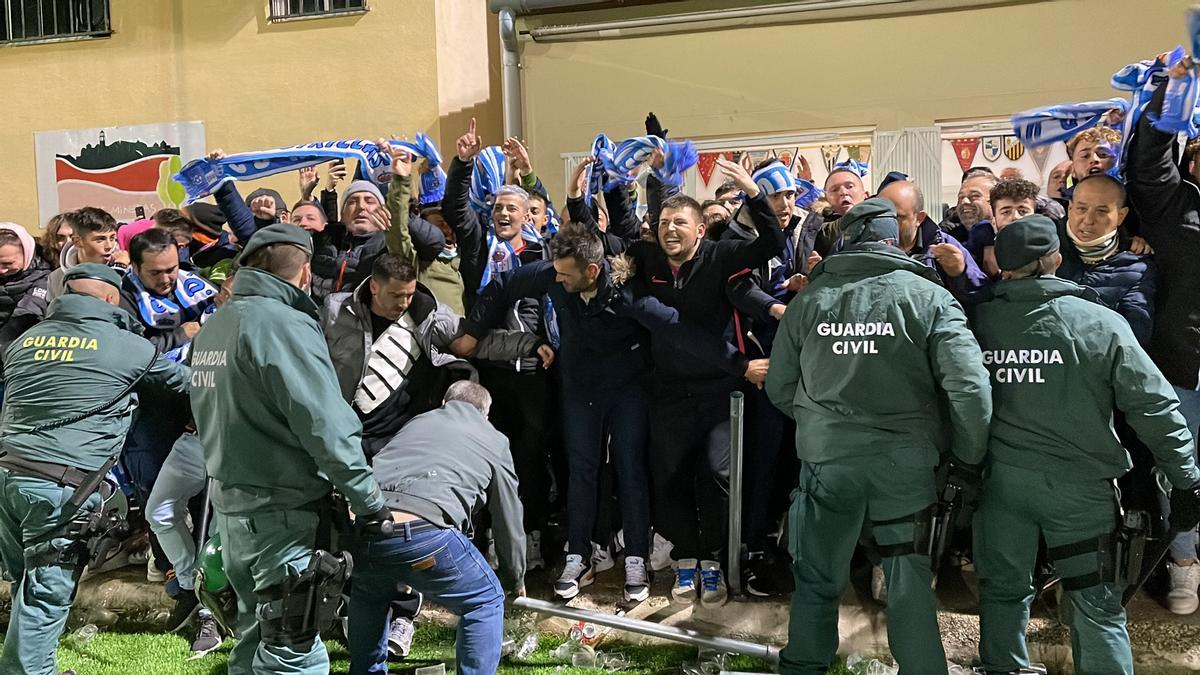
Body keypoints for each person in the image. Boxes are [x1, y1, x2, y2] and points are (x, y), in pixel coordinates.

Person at [461, 221, 756, 602]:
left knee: (630, 467)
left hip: (627, 390)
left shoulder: (628, 295)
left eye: (568, 275)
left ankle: (636, 557)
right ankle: (578, 555)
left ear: (593, 270)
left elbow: (678, 329)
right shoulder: (554, 275)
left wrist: (739, 364)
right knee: (582, 469)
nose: (559, 280)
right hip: (579, 391)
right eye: (557, 272)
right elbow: (504, 286)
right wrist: (472, 331)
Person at [765, 197, 992, 674]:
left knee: (817, 582)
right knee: (909, 585)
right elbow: (970, 389)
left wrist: (821, 425)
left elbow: (780, 385)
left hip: (827, 463)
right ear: (895, 238)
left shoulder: (809, 300)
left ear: (846, 237)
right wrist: (966, 457)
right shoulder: (928, 296)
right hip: (905, 466)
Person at [970, 215, 1200, 674]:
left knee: (1001, 591)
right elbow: (1154, 406)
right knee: (1096, 605)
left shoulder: (974, 322)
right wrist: (1186, 480)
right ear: (1056, 259)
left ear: (1001, 264)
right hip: (1080, 491)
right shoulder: (1100, 322)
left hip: (998, 488)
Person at [189, 224, 393, 674]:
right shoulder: (283, 325)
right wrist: (369, 501)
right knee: (293, 648)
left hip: (231, 507)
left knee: (255, 633)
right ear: (303, 272)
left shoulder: (216, 325)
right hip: (281, 509)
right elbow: (324, 423)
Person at [600, 156, 783, 604]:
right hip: (668, 392)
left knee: (718, 475)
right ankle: (686, 557)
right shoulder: (645, 258)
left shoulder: (721, 256)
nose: (670, 230)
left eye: (680, 222)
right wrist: (614, 180)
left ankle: (715, 561)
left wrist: (756, 195)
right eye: (663, 223)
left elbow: (772, 242)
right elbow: (614, 231)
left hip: (720, 390)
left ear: (700, 229)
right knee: (671, 475)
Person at [0, 263, 190, 675]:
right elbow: (192, 385)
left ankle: (32, 665)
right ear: (109, 299)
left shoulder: (26, 339)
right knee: (47, 593)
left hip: (8, 477)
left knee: (25, 586)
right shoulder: (126, 346)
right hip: (62, 487)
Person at [348, 381, 523, 675]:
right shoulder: (493, 438)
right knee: (485, 600)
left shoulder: (418, 422)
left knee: (369, 594)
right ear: (486, 414)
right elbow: (508, 513)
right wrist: (514, 575)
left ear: (444, 402)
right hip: (426, 533)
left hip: (369, 528)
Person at [444, 120, 554, 569]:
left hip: (531, 372)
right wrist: (463, 164)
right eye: (498, 208)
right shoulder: (478, 248)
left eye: (514, 208)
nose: (504, 214)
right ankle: (491, 538)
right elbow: (455, 208)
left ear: (529, 215)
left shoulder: (539, 251)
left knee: (530, 458)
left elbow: (553, 303)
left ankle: (531, 537)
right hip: (488, 372)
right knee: (491, 456)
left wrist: (528, 175)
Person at [1124, 54, 1200, 614]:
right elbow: (1147, 160)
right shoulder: (1178, 203)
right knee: (1182, 471)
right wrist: (1171, 92)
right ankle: (1183, 564)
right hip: (1184, 366)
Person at [1057, 174, 1153, 345]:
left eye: (1101, 212)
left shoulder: (1137, 268)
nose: (1088, 220)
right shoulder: (1043, 251)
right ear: (1070, 208)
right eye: (1081, 209)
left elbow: (1135, 336)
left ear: (1121, 216)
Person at [877, 179, 989, 304]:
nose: (886, 223)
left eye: (897, 217)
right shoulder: (867, 245)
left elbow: (982, 295)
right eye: (880, 216)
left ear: (919, 218)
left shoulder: (944, 246)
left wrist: (960, 274)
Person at [119, 228, 217, 353]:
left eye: (171, 270)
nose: (165, 280)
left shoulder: (191, 278)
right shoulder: (124, 298)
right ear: (136, 267)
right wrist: (179, 336)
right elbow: (132, 352)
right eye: (155, 273)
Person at [47, 207, 128, 303]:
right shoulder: (56, 277)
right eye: (100, 239)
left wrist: (119, 270)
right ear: (77, 241)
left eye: (112, 238)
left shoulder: (126, 271)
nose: (109, 246)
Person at [0, 222, 51, 353]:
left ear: (27, 255)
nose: (1, 270)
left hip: (18, 347)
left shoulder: (44, 280)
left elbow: (27, 315)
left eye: (8, 263)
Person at [814, 168, 867, 256]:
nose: (843, 192)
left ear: (865, 195)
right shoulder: (815, 227)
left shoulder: (882, 219)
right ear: (826, 198)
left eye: (850, 186)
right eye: (834, 190)